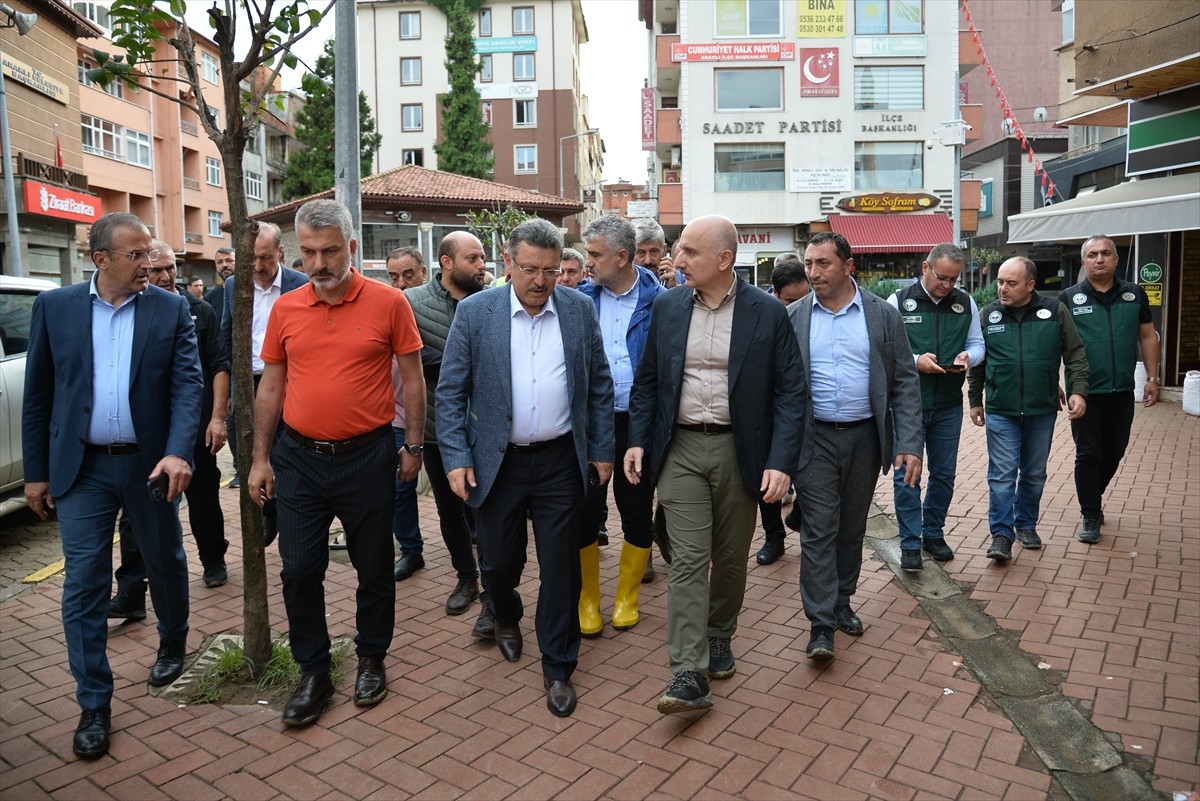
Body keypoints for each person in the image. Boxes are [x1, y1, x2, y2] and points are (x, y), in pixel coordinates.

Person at [22, 212, 203, 759]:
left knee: (164, 558)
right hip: (81, 470)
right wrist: (36, 472)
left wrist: (176, 451)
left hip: (148, 464)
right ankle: (93, 702)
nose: (149, 263)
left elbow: (187, 386)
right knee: (83, 582)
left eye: (150, 253)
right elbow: (38, 394)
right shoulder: (54, 309)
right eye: (136, 255)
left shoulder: (170, 309)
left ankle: (173, 639)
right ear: (99, 260)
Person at [248, 199, 426, 728]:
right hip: (298, 458)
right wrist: (260, 458)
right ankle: (314, 671)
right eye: (307, 252)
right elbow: (271, 386)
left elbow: (413, 379)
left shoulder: (390, 303)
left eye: (329, 251)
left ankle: (372, 658)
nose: (318, 263)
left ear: (352, 248)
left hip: (368, 456)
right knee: (300, 569)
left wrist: (413, 447)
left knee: (374, 568)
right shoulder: (286, 308)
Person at [624, 215, 805, 715]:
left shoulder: (766, 313)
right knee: (686, 559)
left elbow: (792, 393)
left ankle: (721, 633)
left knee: (729, 556)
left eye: (688, 252)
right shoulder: (666, 306)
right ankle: (686, 670)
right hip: (679, 447)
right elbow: (648, 380)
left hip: (739, 449)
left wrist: (781, 461)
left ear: (724, 260)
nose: (675, 260)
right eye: (677, 250)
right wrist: (638, 439)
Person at [437, 218, 614, 718]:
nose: (540, 281)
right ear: (508, 263)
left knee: (561, 568)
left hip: (561, 460)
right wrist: (456, 457)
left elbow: (598, 385)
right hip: (498, 462)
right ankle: (504, 612)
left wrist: (600, 450)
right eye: (530, 269)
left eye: (551, 271)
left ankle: (558, 666)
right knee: (495, 562)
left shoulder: (579, 311)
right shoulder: (476, 313)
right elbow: (450, 392)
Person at [789, 232, 922, 661]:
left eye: (823, 263)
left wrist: (910, 442)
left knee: (851, 527)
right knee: (819, 529)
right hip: (815, 438)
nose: (813, 273)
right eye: (809, 264)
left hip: (866, 437)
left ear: (848, 265)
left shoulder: (882, 315)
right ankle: (821, 623)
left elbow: (903, 380)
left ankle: (843, 600)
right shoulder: (794, 317)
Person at [110, 242, 231, 623]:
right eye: (156, 268)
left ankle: (213, 558)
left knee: (204, 498)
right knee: (134, 514)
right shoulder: (133, 310)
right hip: (145, 435)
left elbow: (218, 365)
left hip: (193, 430)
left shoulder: (201, 311)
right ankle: (131, 588)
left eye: (169, 268)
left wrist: (217, 418)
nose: (163, 276)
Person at [575, 215, 665, 637]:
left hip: (639, 423)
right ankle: (588, 600)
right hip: (593, 422)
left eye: (594, 255)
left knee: (635, 507)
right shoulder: (579, 301)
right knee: (586, 509)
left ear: (622, 257)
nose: (586, 263)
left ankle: (627, 598)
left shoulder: (663, 302)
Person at [968, 257, 1089, 562]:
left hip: (1041, 409)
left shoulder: (1055, 311)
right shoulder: (989, 315)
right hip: (1001, 409)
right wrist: (974, 400)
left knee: (1034, 473)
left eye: (1011, 283)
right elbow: (978, 361)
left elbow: (1074, 353)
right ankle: (1001, 534)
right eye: (999, 282)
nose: (1002, 289)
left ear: (1031, 285)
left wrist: (1078, 391)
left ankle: (1026, 525)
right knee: (1003, 474)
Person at [400, 230, 490, 621]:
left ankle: (494, 588)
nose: (482, 265)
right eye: (473, 258)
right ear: (447, 263)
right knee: (449, 510)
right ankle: (466, 578)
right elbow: (412, 355)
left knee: (487, 510)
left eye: (483, 257)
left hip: (489, 428)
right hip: (437, 425)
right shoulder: (411, 302)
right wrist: (469, 363)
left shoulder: (494, 301)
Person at [886, 244, 985, 571]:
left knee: (943, 474)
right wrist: (916, 361)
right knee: (906, 475)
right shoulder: (898, 302)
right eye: (941, 277)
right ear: (925, 267)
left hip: (946, 405)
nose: (947, 285)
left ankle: (932, 532)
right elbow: (884, 350)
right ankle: (910, 543)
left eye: (953, 279)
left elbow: (977, 344)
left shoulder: (965, 302)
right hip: (907, 405)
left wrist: (968, 357)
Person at [1059, 235, 1160, 543]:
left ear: (1116, 259)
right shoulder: (1068, 298)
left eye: (1105, 253)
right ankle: (1091, 514)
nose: (1099, 259)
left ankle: (1093, 495)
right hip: (1084, 392)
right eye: (1092, 254)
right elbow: (1055, 344)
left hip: (1122, 390)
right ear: (1083, 262)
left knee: (1114, 451)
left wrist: (1153, 379)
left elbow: (1147, 336)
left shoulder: (1134, 294)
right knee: (1087, 453)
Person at [221, 222, 306, 501]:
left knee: (288, 453)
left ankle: (287, 507)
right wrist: (230, 391)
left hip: (289, 383)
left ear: (280, 253)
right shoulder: (234, 285)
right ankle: (264, 515)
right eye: (251, 258)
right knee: (250, 456)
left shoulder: (300, 285)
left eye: (265, 258)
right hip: (247, 384)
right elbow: (227, 336)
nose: (257, 266)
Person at [754, 252, 811, 566]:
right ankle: (773, 536)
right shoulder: (761, 314)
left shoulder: (815, 312)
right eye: (791, 300)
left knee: (812, 473)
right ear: (775, 294)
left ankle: (801, 517)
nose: (799, 305)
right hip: (770, 411)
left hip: (809, 409)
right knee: (767, 478)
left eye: (804, 297)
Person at [203, 246, 235, 311]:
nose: (224, 265)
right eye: (220, 262)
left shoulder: (253, 292)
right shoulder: (209, 299)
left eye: (229, 260)